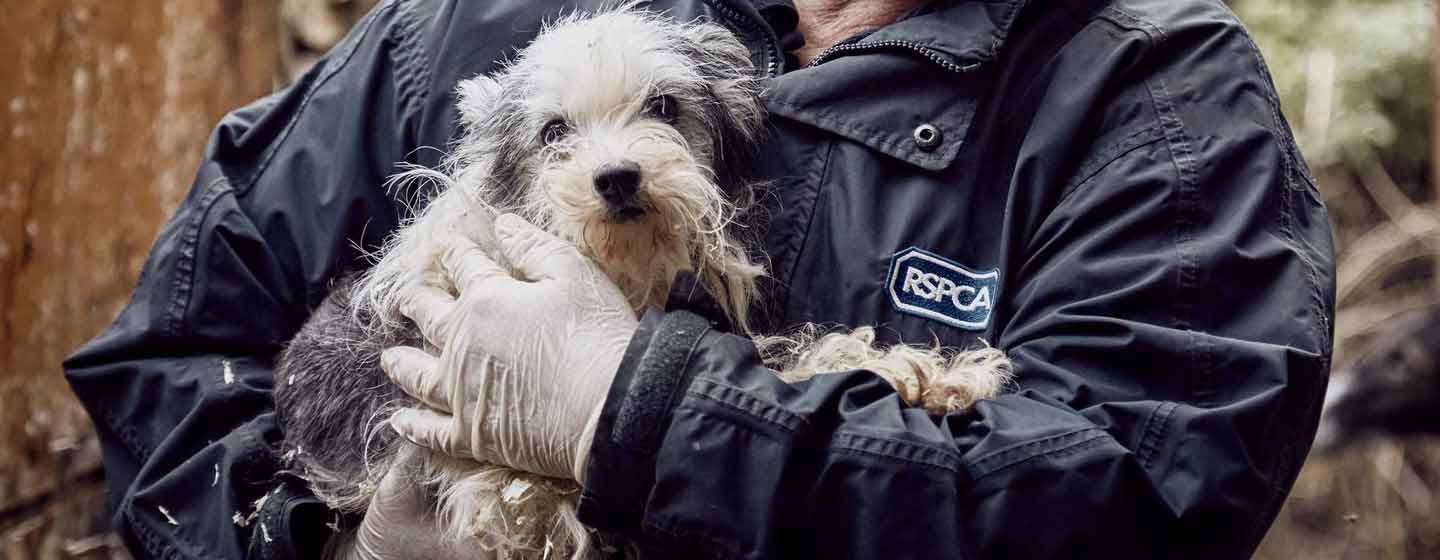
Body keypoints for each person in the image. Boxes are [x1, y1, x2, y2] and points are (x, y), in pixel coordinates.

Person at [64, 0, 1336, 558]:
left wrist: (647, 414)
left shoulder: (1160, 94)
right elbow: (171, 359)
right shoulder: (473, 29)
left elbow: (1128, 501)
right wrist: (313, 546)